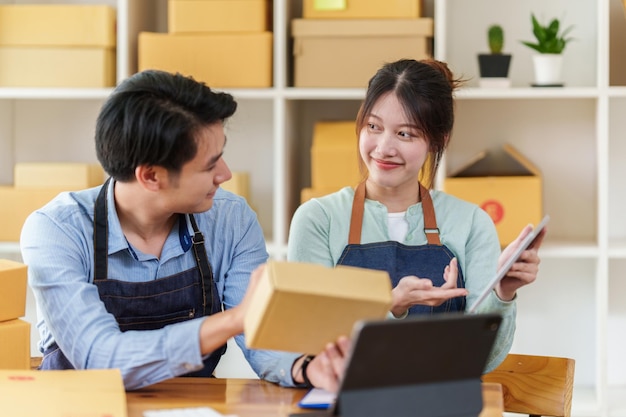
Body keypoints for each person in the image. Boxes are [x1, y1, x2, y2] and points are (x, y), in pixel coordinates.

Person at [19, 69, 345, 391]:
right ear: (151, 176)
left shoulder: (232, 219)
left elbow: (259, 331)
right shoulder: (56, 231)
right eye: (209, 164)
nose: (226, 173)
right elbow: (101, 357)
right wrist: (232, 321)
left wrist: (305, 366)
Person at [287, 59, 545, 381]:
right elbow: (308, 345)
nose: (384, 148)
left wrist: (503, 292)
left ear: (438, 140)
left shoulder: (471, 223)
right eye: (373, 127)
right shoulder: (317, 220)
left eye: (405, 134)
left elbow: (484, 360)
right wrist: (391, 306)